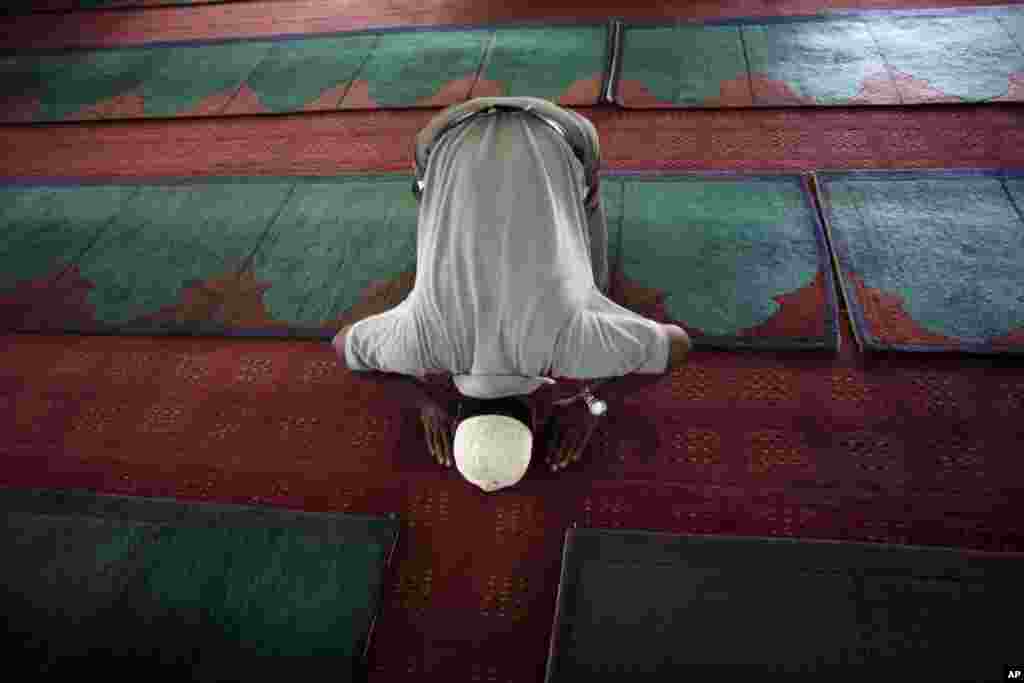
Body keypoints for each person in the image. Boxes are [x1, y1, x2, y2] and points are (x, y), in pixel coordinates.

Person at [332, 96, 691, 493]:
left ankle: (583, 200)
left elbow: (677, 345)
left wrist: (591, 407)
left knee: (597, 282)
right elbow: (341, 346)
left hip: (562, 132)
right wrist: (424, 403)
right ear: (457, 408)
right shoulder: (419, 343)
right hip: (445, 132)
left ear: (537, 416)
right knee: (433, 201)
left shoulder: (572, 347)